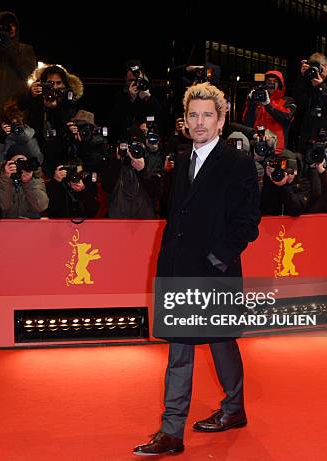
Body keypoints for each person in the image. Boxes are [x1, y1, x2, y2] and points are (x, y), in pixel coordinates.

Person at [133, 82, 260, 456]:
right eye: (193, 115)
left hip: (214, 271)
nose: (199, 122)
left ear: (221, 121)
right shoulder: (180, 158)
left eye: (207, 115)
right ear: (185, 121)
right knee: (183, 348)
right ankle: (182, 427)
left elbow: (247, 221)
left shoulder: (237, 163)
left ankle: (213, 416)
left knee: (219, 343)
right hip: (178, 269)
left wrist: (216, 260)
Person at [0, 11, 36, 125]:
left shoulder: (25, 49)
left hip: (16, 107)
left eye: (13, 24)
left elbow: (26, 71)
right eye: (6, 24)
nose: (11, 28)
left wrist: (9, 46)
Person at [242, 70, 296, 153]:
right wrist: (251, 103)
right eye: (269, 81)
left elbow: (286, 117)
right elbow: (247, 122)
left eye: (275, 81)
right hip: (257, 148)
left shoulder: (288, 101)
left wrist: (268, 105)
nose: (271, 84)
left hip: (277, 150)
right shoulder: (257, 101)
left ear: (280, 84)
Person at [0, 144, 48, 218]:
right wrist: (6, 178)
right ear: (8, 164)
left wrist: (28, 182)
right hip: (6, 224)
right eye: (16, 163)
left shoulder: (36, 180)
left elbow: (41, 206)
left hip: (30, 225)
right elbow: (2, 207)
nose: (20, 166)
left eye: (24, 163)